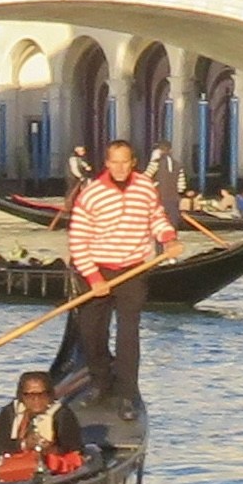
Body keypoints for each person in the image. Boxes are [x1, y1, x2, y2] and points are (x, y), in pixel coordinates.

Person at [65, 139, 178, 421]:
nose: (119, 167)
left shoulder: (145, 188)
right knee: (92, 333)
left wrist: (168, 237)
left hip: (134, 268)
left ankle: (127, 393)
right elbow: (78, 240)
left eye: (124, 161)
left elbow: (156, 218)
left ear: (133, 162)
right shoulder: (91, 195)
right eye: (113, 162)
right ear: (106, 163)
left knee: (129, 333)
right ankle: (101, 383)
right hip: (98, 268)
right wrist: (93, 277)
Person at [0, 369, 86, 479]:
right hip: (15, 470)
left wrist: (50, 449)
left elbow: (74, 448)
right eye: (29, 395)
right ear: (21, 396)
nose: (36, 399)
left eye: (42, 394)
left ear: (50, 395)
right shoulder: (10, 413)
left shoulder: (62, 414)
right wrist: (24, 445)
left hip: (52, 472)